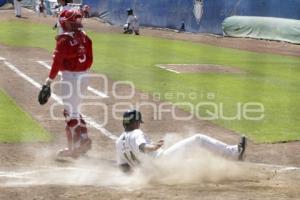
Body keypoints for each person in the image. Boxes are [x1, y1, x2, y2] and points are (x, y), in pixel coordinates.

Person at [116, 110, 247, 173]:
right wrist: (153, 147)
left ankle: (220, 169)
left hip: (154, 172)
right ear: (135, 122)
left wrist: (141, 177)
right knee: (198, 139)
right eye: (138, 122)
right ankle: (234, 153)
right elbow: (142, 147)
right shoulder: (136, 133)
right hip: (163, 161)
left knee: (193, 163)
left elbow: (124, 168)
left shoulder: (118, 142)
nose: (139, 125)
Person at [42, 9, 93, 158]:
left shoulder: (64, 40)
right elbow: (90, 60)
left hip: (70, 79)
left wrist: (48, 82)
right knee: (74, 111)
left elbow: (57, 62)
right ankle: (79, 142)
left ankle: (79, 144)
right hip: (84, 77)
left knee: (70, 114)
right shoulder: (85, 37)